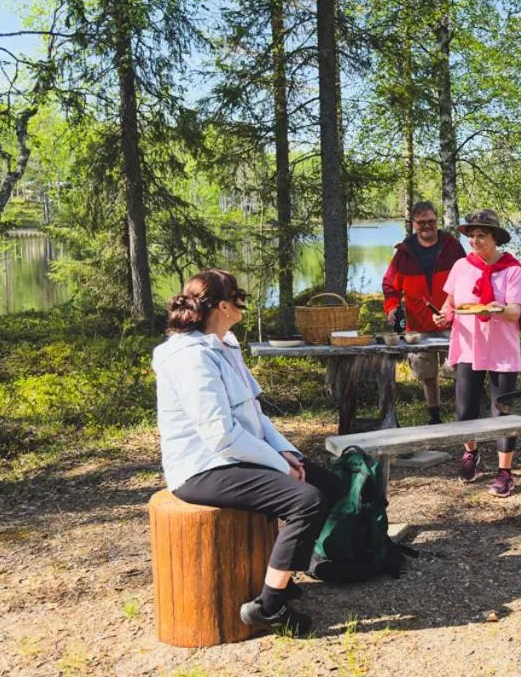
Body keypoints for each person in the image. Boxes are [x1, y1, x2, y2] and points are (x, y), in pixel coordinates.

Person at [153, 269, 342, 635]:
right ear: (223, 305)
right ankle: (270, 606)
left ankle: (282, 577)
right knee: (306, 500)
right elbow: (220, 435)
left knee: (329, 485)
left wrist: (287, 453)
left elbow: (254, 415)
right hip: (203, 469)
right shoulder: (189, 357)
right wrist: (278, 465)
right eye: (237, 294)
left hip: (237, 456)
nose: (243, 299)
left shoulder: (225, 344)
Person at [432, 209, 521, 497]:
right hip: (468, 346)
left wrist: (497, 309)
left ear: (495, 239)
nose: (475, 241)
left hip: (502, 350)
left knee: (501, 411)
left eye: (482, 236)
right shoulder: (461, 267)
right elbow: (450, 304)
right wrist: (443, 316)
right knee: (465, 410)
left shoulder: (512, 270)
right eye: (472, 236)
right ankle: (471, 455)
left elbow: (516, 312)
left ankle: (505, 473)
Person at [382, 200, 466, 424]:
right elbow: (390, 287)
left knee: (460, 372)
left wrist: (458, 309)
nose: (427, 226)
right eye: (422, 223)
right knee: (428, 375)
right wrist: (391, 308)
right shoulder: (404, 252)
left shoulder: (452, 246)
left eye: (431, 221)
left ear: (437, 221)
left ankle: (463, 418)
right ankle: (435, 418)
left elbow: (467, 279)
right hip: (418, 327)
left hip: (453, 323)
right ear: (414, 224)